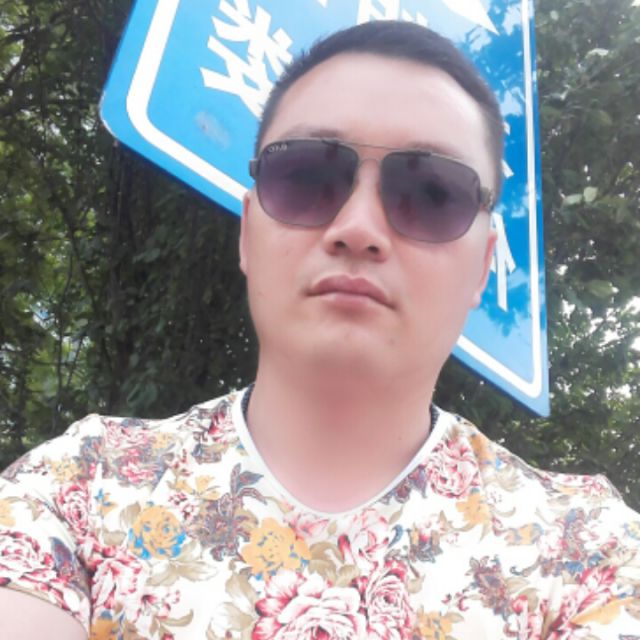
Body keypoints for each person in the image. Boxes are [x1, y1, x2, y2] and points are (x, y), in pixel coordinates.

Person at [1, 19, 639, 640]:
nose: (358, 228)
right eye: (307, 176)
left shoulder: (588, 553)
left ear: (483, 265)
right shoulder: (79, 486)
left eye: (432, 193)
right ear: (247, 233)